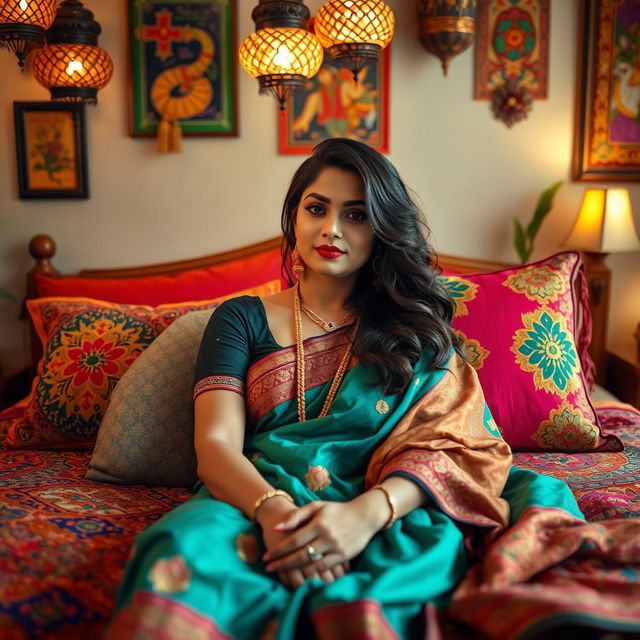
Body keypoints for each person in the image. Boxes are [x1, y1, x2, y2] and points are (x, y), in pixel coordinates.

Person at [107, 139, 640, 640]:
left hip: (389, 501)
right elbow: (216, 446)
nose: (331, 228)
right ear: (294, 218)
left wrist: (365, 516)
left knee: (409, 575)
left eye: (356, 214)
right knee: (180, 551)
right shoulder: (241, 318)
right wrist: (274, 514)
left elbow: (455, 444)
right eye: (316, 209)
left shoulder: (411, 327)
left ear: (381, 227)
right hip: (254, 497)